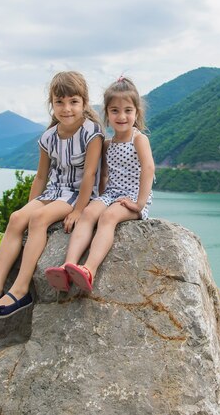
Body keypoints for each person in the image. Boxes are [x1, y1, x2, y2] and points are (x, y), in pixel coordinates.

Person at [0, 71, 104, 320]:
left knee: (39, 219)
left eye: (73, 102)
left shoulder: (91, 132)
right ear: (51, 104)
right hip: (54, 191)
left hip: (76, 194)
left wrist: (77, 210)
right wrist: (30, 204)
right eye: (59, 102)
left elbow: (90, 174)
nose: (67, 109)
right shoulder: (48, 137)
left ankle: (20, 291)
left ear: (84, 103)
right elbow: (41, 177)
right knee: (17, 218)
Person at [44, 76, 155, 292]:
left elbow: (148, 169)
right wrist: (99, 201)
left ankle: (89, 269)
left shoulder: (139, 139)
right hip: (111, 194)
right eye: (114, 111)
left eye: (128, 110)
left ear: (136, 113)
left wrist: (140, 204)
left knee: (109, 217)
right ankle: (68, 266)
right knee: (88, 213)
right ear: (107, 113)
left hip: (132, 196)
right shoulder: (107, 144)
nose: (121, 116)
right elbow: (103, 176)